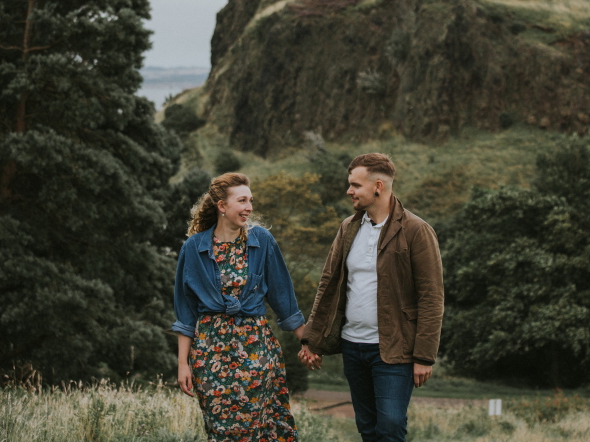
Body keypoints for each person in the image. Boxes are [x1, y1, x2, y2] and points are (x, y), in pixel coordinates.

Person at [298, 153, 444, 442]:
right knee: (367, 428)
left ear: (378, 186)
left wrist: (424, 356)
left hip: (393, 351)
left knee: (389, 426)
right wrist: (310, 340)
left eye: (355, 185)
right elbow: (327, 286)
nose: (349, 191)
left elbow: (431, 297)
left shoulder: (416, 231)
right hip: (353, 348)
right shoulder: (348, 229)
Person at [172, 172, 305, 442]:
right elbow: (185, 312)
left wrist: (309, 342)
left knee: (253, 429)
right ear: (222, 206)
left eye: (250, 200)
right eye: (242, 201)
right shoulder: (193, 248)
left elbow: (284, 299)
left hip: (255, 350)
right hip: (209, 353)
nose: (250, 208)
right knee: (220, 430)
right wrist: (182, 364)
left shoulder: (262, 241)